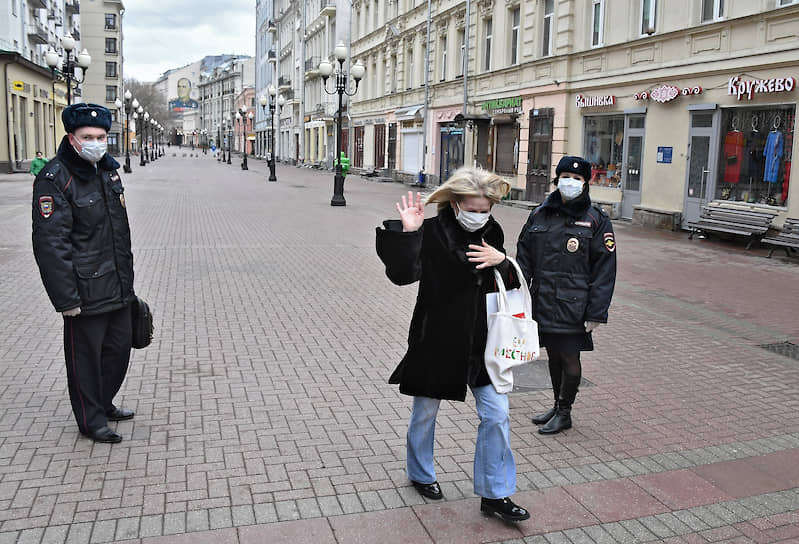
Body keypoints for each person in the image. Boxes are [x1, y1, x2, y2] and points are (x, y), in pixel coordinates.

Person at [376, 167, 530, 522]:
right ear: (456, 203)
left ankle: (495, 494)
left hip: (483, 341)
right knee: (426, 412)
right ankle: (420, 473)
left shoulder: (493, 231)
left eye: (485, 209)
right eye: (473, 209)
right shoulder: (431, 230)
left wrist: (502, 261)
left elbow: (506, 283)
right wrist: (410, 234)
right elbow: (403, 276)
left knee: (497, 415)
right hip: (438, 338)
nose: (480, 216)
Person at [31, 103, 137, 444]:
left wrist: (128, 285)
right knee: (86, 359)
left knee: (118, 349)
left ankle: (104, 403)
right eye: (88, 137)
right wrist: (66, 299)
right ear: (72, 139)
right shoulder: (55, 179)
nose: (96, 142)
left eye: (101, 136)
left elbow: (119, 233)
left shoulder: (108, 173)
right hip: (84, 290)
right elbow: (51, 245)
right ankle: (91, 421)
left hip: (118, 284)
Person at [516, 156, 617, 435]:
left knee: (570, 357)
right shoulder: (539, 214)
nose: (569, 182)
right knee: (553, 356)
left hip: (575, 306)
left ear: (586, 183)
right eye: (564, 177)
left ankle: (565, 413)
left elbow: (605, 270)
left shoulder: (596, 219)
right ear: (557, 179)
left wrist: (597, 312)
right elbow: (524, 255)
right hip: (543, 300)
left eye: (576, 179)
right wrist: (518, 294)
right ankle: (556, 405)